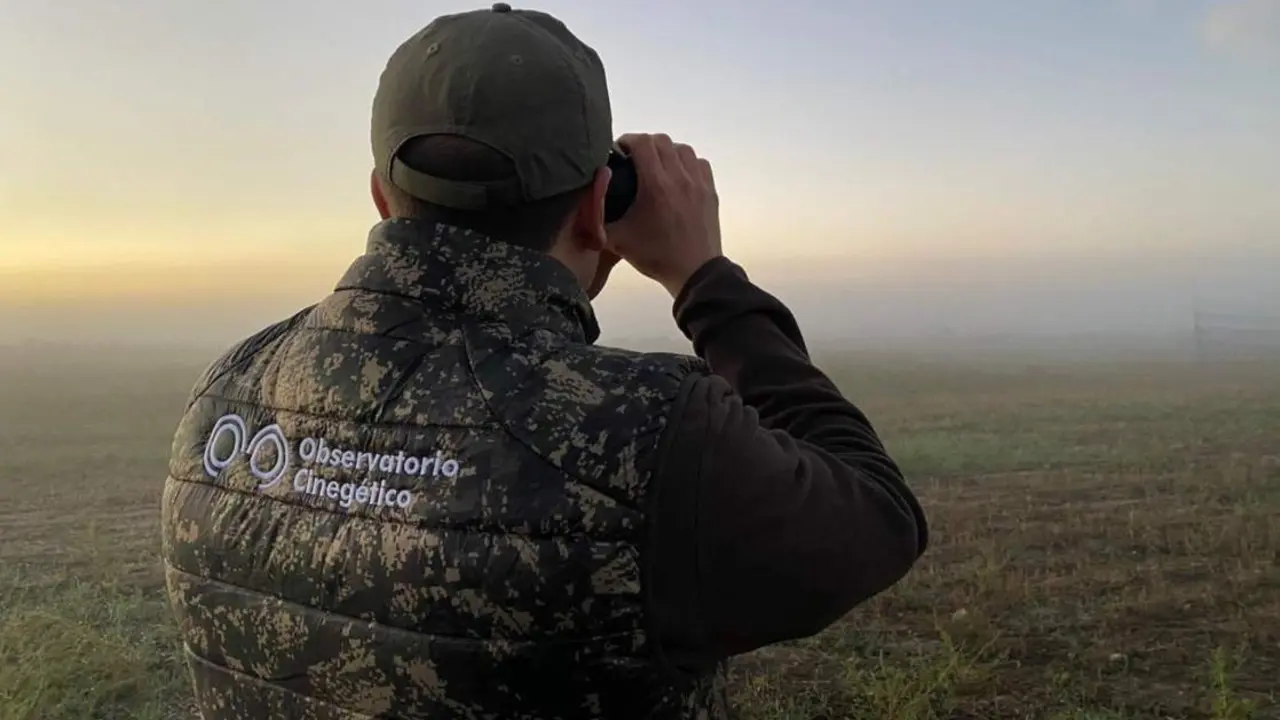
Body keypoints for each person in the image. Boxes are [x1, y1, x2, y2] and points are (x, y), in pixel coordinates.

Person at [160, 4, 929, 719]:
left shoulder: (226, 394)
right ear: (600, 205)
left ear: (380, 197)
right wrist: (705, 280)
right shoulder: (642, 433)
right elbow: (878, 522)